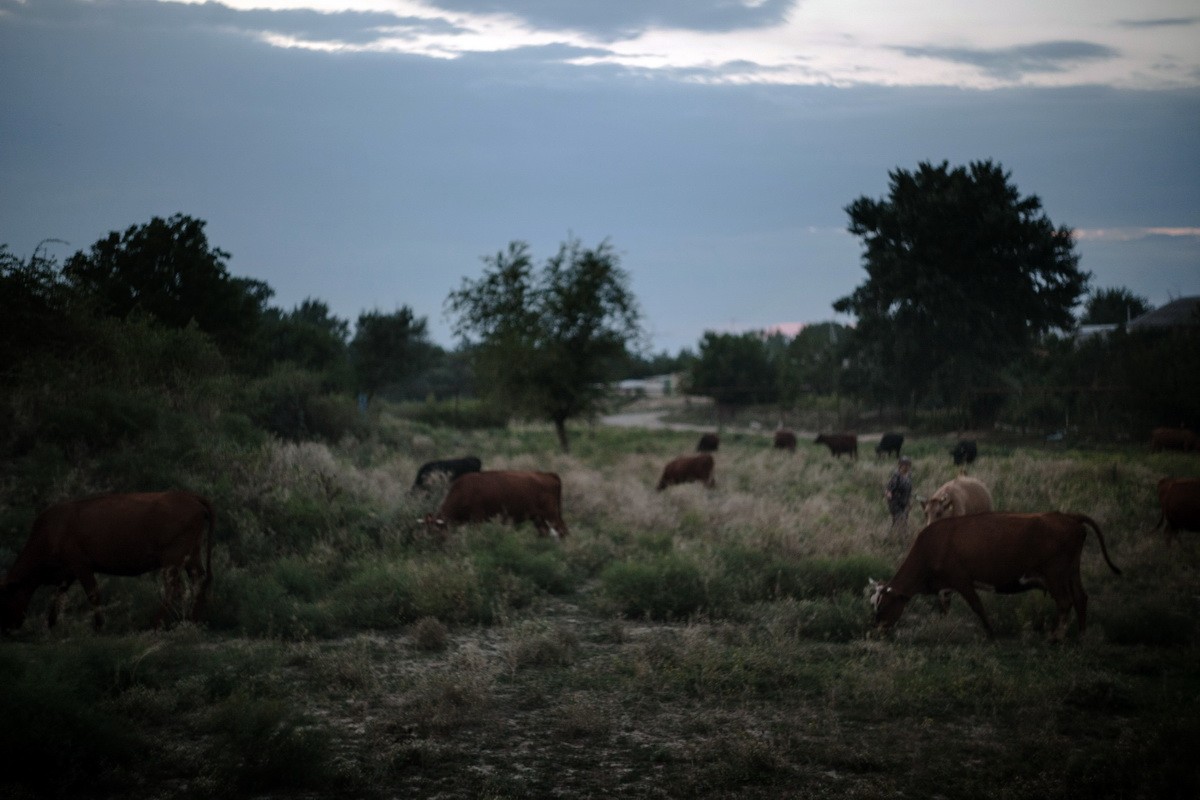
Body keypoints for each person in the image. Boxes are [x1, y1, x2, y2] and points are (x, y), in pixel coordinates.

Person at [884, 456, 913, 536]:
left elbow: (909, 491)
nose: (906, 467)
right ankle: (903, 538)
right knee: (901, 520)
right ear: (900, 465)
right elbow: (888, 489)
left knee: (900, 521)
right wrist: (888, 494)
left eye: (908, 465)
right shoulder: (896, 476)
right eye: (904, 465)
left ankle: (891, 536)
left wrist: (909, 502)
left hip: (904, 503)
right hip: (895, 502)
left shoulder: (909, 477)